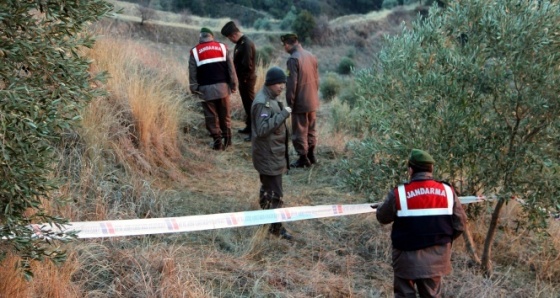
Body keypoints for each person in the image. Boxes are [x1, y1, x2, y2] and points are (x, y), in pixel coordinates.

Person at [374, 149, 468, 298]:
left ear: (411, 169)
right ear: (431, 169)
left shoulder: (399, 193)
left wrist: (381, 206)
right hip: (436, 259)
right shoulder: (448, 191)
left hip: (405, 260)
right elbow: (460, 224)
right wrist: (443, 241)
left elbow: (382, 217)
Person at [251, 66, 293, 240]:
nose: (282, 87)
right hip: (268, 155)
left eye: (283, 83)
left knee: (269, 189)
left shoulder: (270, 98)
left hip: (271, 154)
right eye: (278, 83)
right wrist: (283, 114)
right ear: (270, 84)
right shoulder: (263, 102)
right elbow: (262, 129)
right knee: (275, 193)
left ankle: (266, 218)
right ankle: (276, 228)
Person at [189, 27, 238, 150]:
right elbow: (231, 69)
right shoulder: (222, 47)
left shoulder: (195, 51)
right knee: (225, 115)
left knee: (211, 116)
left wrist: (194, 88)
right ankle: (228, 140)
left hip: (205, 90)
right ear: (211, 36)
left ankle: (217, 142)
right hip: (223, 89)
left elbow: (192, 73)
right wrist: (233, 85)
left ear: (200, 37)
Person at [281, 33, 320, 168]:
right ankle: (311, 155)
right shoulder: (311, 56)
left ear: (287, 44)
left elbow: (291, 84)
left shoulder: (293, 59)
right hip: (312, 99)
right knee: (311, 129)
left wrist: (289, 102)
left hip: (300, 101)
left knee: (299, 131)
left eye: (284, 45)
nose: (284, 48)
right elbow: (317, 79)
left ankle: (303, 158)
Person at [220, 21, 257, 142]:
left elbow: (247, 65)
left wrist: (241, 78)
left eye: (229, 38)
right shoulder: (241, 43)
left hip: (247, 79)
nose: (230, 40)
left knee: (251, 105)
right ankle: (249, 126)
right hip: (243, 79)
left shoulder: (246, 44)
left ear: (233, 35)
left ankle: (254, 131)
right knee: (247, 104)